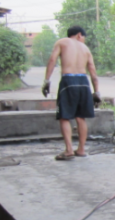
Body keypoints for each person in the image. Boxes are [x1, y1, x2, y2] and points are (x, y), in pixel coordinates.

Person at [42, 26, 101, 160]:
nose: (84, 40)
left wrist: (46, 80)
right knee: (81, 117)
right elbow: (93, 72)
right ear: (79, 35)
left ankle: (69, 150)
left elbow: (52, 60)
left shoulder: (62, 42)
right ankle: (81, 149)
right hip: (83, 82)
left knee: (64, 117)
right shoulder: (86, 49)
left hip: (69, 81)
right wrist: (97, 92)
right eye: (84, 37)